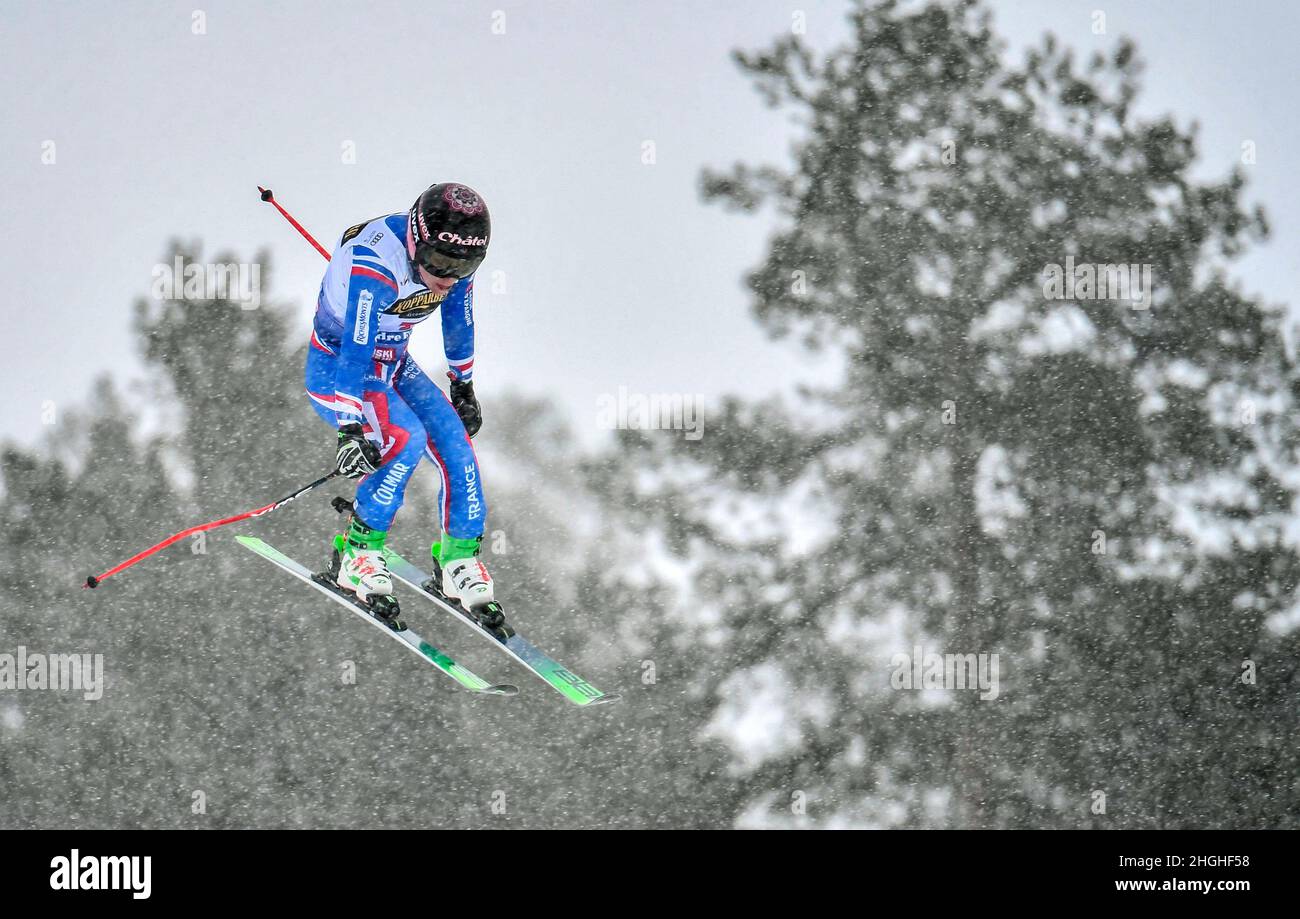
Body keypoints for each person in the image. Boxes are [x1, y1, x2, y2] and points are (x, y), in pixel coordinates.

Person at [303, 182, 495, 621]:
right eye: (438, 262)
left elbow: (458, 321)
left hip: (392, 364)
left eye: (462, 266)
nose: (447, 276)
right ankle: (357, 554)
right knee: (404, 438)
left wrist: (462, 386)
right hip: (339, 371)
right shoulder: (377, 262)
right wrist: (350, 429)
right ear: (414, 239)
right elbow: (355, 347)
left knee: (455, 442)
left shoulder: (456, 261)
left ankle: (458, 560)